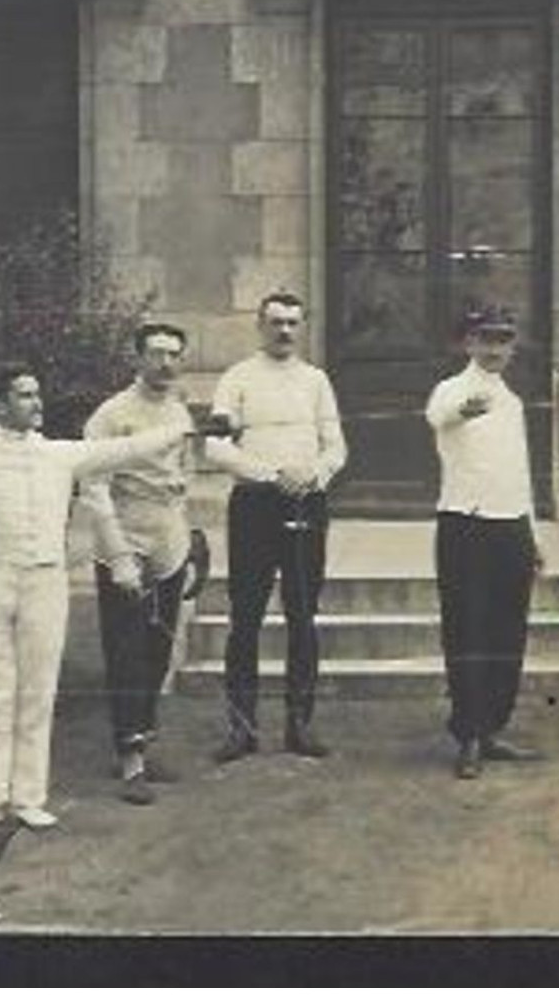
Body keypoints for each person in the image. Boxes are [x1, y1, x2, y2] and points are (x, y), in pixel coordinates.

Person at [0, 361, 190, 829]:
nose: (36, 403)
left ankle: (28, 798)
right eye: (24, 395)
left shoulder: (60, 455)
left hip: (45, 584)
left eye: (37, 394)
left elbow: (127, 448)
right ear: (0, 405)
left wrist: (180, 428)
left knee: (38, 691)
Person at [204, 291, 347, 763]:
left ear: (301, 327)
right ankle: (241, 729)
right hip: (255, 506)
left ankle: (299, 725)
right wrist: (271, 475)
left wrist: (315, 474)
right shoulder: (237, 379)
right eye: (276, 323)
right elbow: (217, 449)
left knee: (303, 615)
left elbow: (336, 447)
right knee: (245, 617)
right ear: (260, 327)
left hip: (307, 504)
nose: (284, 331)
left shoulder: (316, 380)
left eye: (292, 323)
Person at [79, 322, 207, 806]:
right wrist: (118, 557)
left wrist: (189, 543)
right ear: (137, 358)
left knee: (158, 647)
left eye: (174, 354)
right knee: (126, 649)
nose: (166, 363)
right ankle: (129, 758)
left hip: (167, 538)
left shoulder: (177, 410)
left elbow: (184, 479)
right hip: (125, 538)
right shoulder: (111, 415)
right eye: (156, 354)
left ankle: (143, 740)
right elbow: (93, 487)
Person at [426, 305, 545, 780]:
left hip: (511, 525)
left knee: (507, 632)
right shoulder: (451, 391)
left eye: (503, 340)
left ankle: (493, 727)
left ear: (512, 346)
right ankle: (468, 735)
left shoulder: (513, 400)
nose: (495, 349)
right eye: (485, 339)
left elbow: (519, 474)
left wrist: (532, 535)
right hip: (465, 524)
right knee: (467, 631)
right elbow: (438, 417)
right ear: (469, 343)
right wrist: (465, 409)